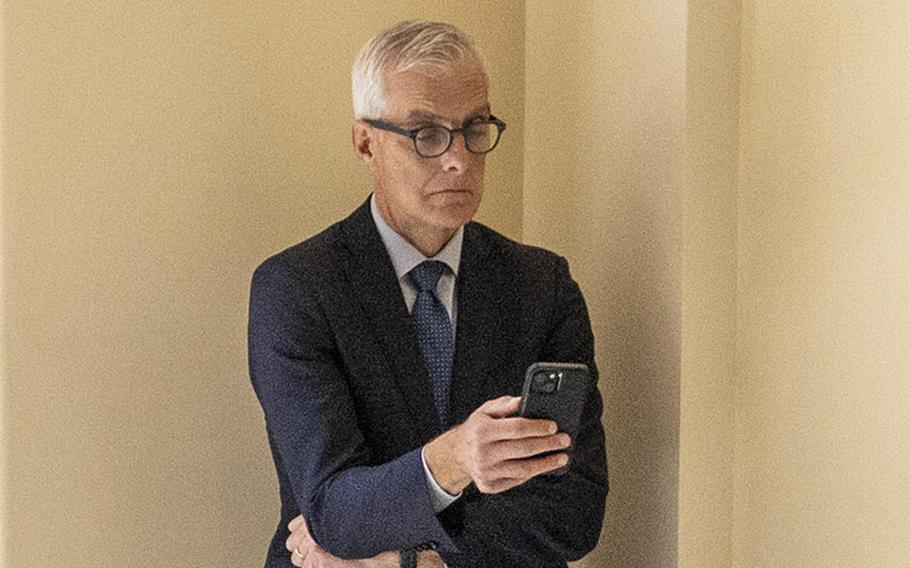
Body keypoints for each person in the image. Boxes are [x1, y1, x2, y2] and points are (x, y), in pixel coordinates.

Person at [248, 20, 608, 568]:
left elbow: (574, 508)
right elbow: (331, 507)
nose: (458, 159)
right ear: (366, 143)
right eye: (426, 134)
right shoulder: (297, 288)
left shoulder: (542, 287)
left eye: (474, 128)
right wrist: (455, 458)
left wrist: (413, 561)